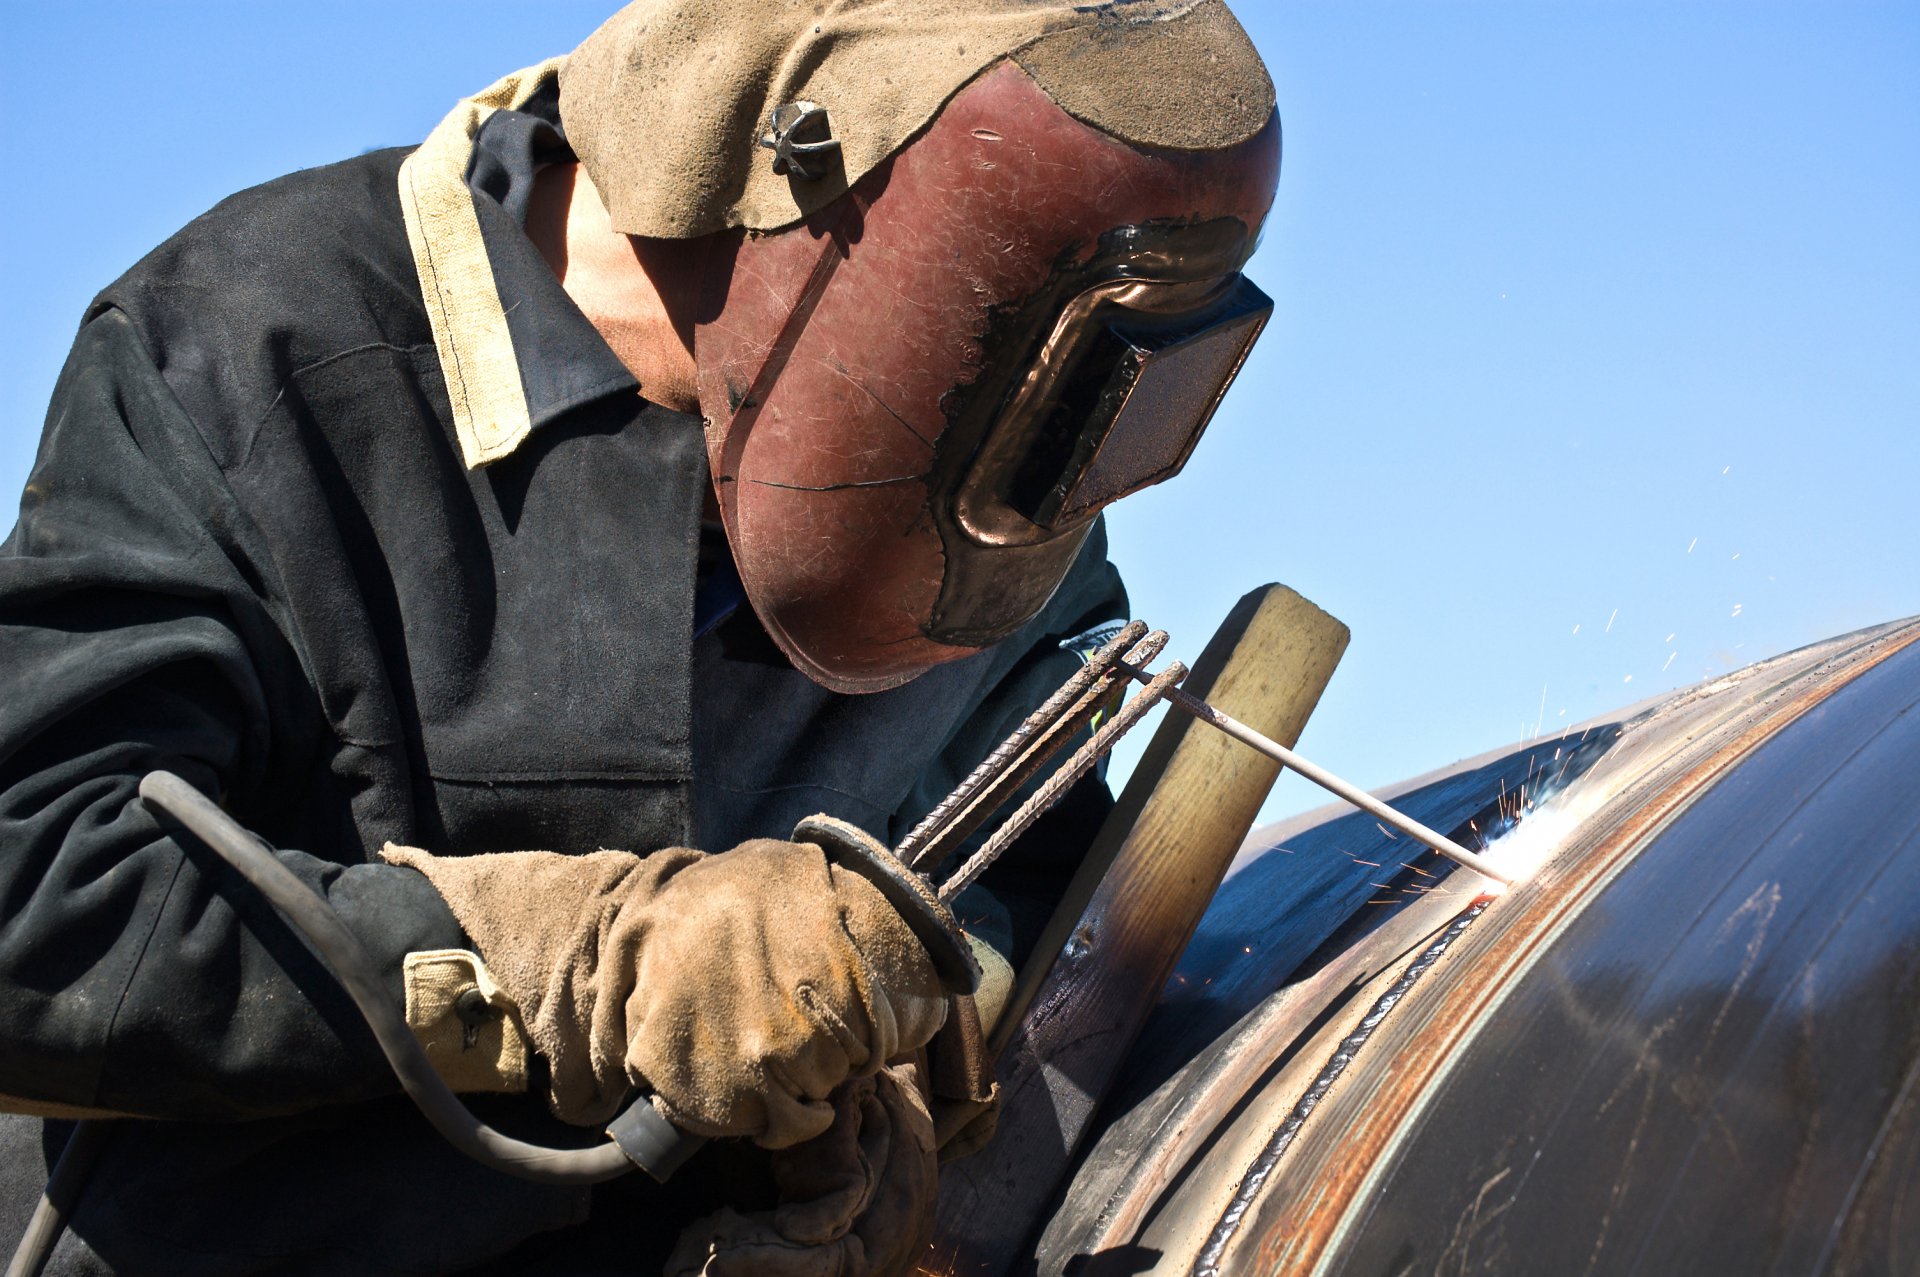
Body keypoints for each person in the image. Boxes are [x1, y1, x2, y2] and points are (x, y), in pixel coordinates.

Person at [0, 2, 1279, 1272]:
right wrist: (584, 966)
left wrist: (908, 1069)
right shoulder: (251, 343)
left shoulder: (996, 500)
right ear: (804, 190)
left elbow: (1030, 879)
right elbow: (35, 909)